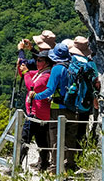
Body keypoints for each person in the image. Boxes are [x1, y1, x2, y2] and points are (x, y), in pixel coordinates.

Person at [29, 42, 73, 171]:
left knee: (55, 137)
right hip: (73, 106)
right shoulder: (72, 65)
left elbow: (49, 90)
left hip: (58, 107)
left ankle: (55, 167)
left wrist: (35, 96)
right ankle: (70, 164)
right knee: (70, 137)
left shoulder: (57, 69)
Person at [19, 50, 53, 171]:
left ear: (47, 62)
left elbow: (32, 86)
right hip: (41, 113)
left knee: (25, 138)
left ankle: (17, 165)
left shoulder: (46, 76)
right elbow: (24, 74)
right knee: (41, 140)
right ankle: (44, 165)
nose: (36, 62)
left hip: (36, 113)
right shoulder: (41, 72)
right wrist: (22, 63)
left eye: (39, 60)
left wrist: (26, 72)